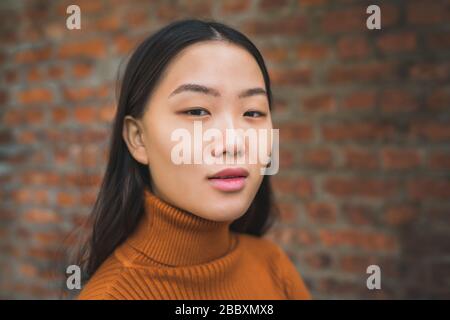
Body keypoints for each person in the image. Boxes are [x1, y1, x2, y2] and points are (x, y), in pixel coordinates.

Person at [75, 18, 311, 300]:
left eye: (253, 112)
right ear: (138, 138)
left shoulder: (273, 266)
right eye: (197, 111)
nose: (233, 142)